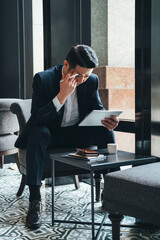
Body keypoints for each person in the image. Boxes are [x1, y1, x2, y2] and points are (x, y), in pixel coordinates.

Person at [15, 44, 119, 229]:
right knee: (38, 133)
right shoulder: (43, 79)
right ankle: (35, 202)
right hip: (51, 135)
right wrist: (61, 97)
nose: (83, 80)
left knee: (106, 129)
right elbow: (37, 118)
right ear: (66, 65)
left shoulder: (91, 81)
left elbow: (97, 109)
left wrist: (108, 119)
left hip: (77, 133)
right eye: (79, 75)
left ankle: (112, 191)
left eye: (87, 76)